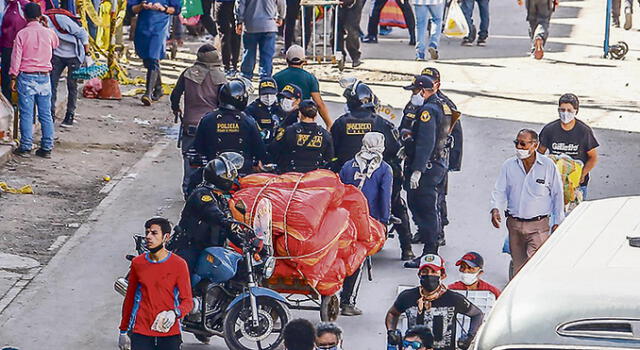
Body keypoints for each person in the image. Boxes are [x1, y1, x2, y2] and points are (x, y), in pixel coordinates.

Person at [490, 129, 565, 275]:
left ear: (535, 145)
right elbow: (499, 190)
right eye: (516, 143)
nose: (519, 147)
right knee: (519, 269)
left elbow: (557, 194)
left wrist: (558, 221)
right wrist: (495, 208)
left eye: (523, 144)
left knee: (534, 267)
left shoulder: (548, 166)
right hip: (515, 226)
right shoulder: (509, 165)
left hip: (538, 227)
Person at [118, 217, 194, 350]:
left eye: (154, 233)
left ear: (166, 237)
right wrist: (123, 330)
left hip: (169, 332)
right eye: (147, 232)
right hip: (141, 332)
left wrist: (175, 313)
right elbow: (129, 299)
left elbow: (188, 301)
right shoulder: (138, 263)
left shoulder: (179, 265)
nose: (148, 237)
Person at [338, 131, 392, 316]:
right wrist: (384, 221)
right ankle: (347, 301)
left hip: (344, 218)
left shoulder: (348, 165)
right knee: (357, 259)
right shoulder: (384, 168)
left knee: (340, 256)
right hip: (367, 221)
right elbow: (385, 197)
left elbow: (340, 190)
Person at [385, 254, 483, 350]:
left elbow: (477, 314)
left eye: (434, 272)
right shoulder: (407, 297)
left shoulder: (453, 299)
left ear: (442, 275)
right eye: (425, 271)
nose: (429, 275)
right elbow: (393, 313)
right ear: (419, 274)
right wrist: (391, 332)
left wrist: (469, 337)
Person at [172, 153, 246, 275]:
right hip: (190, 246)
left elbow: (228, 224)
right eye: (226, 175)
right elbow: (212, 212)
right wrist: (226, 221)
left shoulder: (221, 199)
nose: (230, 179)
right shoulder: (202, 193)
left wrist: (244, 241)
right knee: (185, 278)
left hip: (211, 249)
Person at [402, 75, 450, 258]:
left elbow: (426, 142)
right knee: (425, 206)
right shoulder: (441, 104)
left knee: (424, 208)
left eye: (415, 91)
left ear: (423, 91)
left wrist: (417, 170)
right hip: (438, 163)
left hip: (428, 167)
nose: (414, 94)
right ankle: (430, 247)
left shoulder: (427, 111)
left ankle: (430, 252)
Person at [170, 44, 227, 197]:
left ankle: (188, 190)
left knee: (190, 158)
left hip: (191, 124)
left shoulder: (188, 73)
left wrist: (176, 108)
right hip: (212, 126)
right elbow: (226, 102)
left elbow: (175, 94)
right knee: (213, 157)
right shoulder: (221, 77)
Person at [189, 79, 267, 188]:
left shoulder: (207, 119)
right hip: (243, 176)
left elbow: (198, 149)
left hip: (214, 175)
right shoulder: (248, 121)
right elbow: (260, 151)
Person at [10, 3, 59, 159]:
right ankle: (46, 147)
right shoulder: (49, 33)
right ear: (40, 16)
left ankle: (25, 146)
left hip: (26, 77)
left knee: (26, 113)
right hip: (44, 77)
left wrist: (13, 76)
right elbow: (56, 44)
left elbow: (16, 58)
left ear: (25, 16)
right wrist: (46, 26)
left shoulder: (22, 34)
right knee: (45, 114)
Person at [538, 93, 599, 200]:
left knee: (575, 215)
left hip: (576, 184)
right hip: (553, 183)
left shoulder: (584, 132)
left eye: (569, 110)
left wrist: (582, 174)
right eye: (562, 110)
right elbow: (539, 154)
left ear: (576, 111)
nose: (565, 113)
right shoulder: (549, 130)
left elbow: (593, 157)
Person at [331, 81, 400, 171]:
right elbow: (393, 149)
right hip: (375, 173)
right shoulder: (381, 122)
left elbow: (332, 150)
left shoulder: (340, 123)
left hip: (345, 174)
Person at [129, 0, 180, 106]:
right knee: (147, 58)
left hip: (160, 25)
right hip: (143, 24)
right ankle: (158, 88)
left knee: (153, 56)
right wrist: (141, 6)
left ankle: (148, 93)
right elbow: (131, 8)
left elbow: (176, 9)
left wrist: (163, 8)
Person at [46, 7, 89, 127]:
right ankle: (50, 115)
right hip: (57, 55)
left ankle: (70, 114)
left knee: (72, 84)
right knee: (51, 84)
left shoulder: (59, 19)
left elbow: (82, 33)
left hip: (74, 55)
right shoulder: (40, 27)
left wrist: (87, 54)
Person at [273, 45, 333, 128]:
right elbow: (319, 104)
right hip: (303, 119)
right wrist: (329, 124)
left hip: (282, 120)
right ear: (304, 61)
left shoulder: (277, 77)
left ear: (287, 59)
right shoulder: (310, 78)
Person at [269, 99, 334, 173]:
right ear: (315, 116)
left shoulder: (289, 131)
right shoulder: (325, 134)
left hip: (290, 174)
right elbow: (329, 156)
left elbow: (273, 149)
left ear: (299, 114)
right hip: (314, 176)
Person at [235, 0, 285, 80]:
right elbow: (281, 3)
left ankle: (246, 78)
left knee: (249, 54)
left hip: (250, 25)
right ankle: (265, 80)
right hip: (269, 25)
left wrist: (239, 21)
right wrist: (281, 16)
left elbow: (240, 4)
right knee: (267, 56)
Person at [0, 0, 29, 101]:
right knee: (6, 79)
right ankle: (8, 106)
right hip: (5, 48)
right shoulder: (5, 5)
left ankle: (21, 107)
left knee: (19, 78)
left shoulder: (24, 5)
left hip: (20, 48)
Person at [245, 77, 286, 146]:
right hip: (259, 143)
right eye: (265, 94)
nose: (268, 97)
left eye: (271, 94)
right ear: (260, 95)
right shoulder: (252, 109)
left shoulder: (281, 107)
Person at [336, 0, 365, 68]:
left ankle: (355, 57)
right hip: (337, 4)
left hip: (353, 4)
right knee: (336, 32)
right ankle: (339, 57)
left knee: (351, 31)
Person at [215, 0, 241, 75]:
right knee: (236, 33)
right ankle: (234, 65)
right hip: (235, 3)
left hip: (222, 3)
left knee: (224, 34)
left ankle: (226, 66)